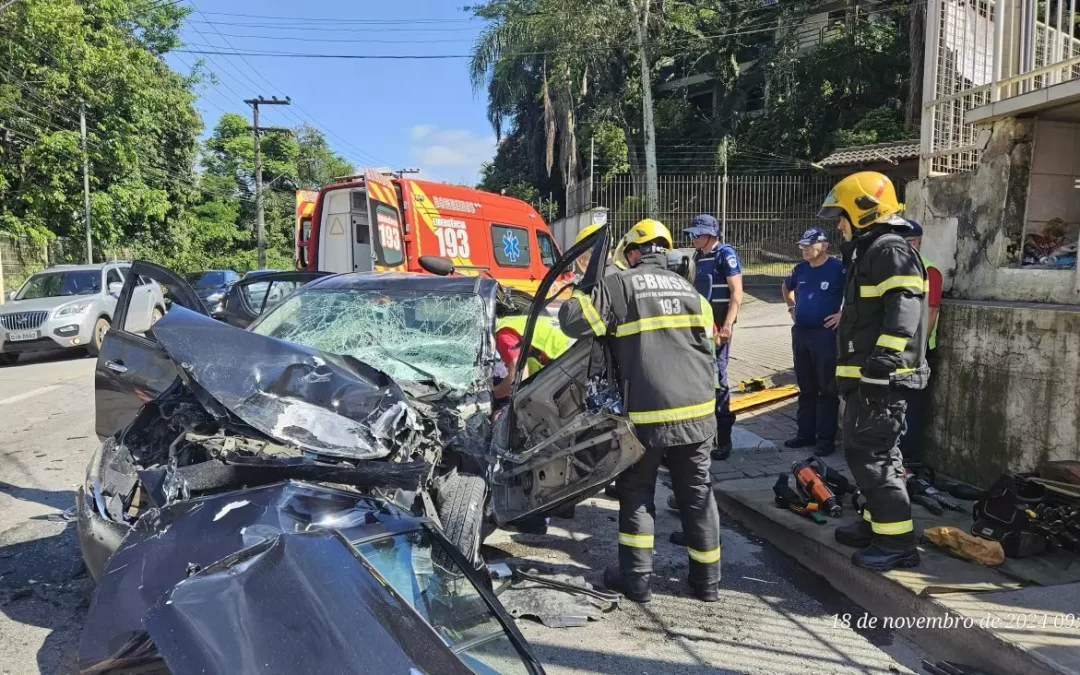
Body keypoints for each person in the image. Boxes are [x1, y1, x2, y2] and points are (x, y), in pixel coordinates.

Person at [559, 218, 721, 603]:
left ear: (633, 252)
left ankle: (637, 582)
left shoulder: (619, 285)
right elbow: (709, 352)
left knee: (637, 492)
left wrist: (589, 285)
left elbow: (570, 322)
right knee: (697, 495)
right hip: (699, 413)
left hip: (646, 419)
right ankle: (707, 584)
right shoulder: (693, 292)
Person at [817, 171, 930, 571]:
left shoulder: (888, 250)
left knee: (872, 456)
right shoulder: (872, 251)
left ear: (864, 211)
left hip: (883, 380)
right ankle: (876, 525)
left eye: (842, 216)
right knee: (874, 452)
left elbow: (905, 309)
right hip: (870, 379)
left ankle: (897, 543)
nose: (839, 225)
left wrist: (881, 366)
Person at [781, 227, 845, 456]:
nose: (804, 249)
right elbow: (786, 287)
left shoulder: (838, 268)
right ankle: (805, 434)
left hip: (824, 335)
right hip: (801, 334)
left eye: (809, 245)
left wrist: (842, 314)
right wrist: (791, 307)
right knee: (806, 387)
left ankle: (826, 439)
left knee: (826, 388)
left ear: (825, 246)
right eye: (802, 245)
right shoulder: (800, 269)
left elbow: (855, 294)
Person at [684, 213, 743, 461]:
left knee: (719, 381)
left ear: (710, 235)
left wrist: (728, 325)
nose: (693, 238)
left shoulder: (724, 254)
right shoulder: (698, 257)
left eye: (697, 234)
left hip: (719, 330)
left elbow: (737, 292)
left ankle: (724, 440)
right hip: (701, 329)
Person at [898, 221, 941, 464]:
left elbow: (931, 313)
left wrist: (918, 351)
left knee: (911, 409)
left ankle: (909, 462)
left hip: (918, 353)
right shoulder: (897, 269)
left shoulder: (929, 271)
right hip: (897, 351)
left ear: (914, 243)